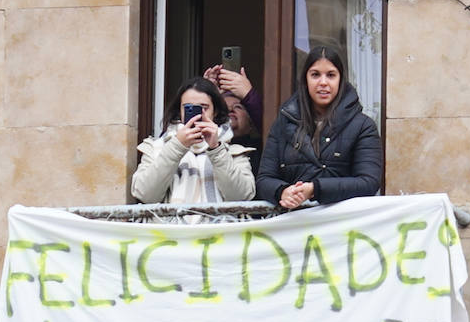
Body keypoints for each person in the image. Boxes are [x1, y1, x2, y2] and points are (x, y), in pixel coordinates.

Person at [256, 46, 381, 210]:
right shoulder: (283, 123)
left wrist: (315, 189)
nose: (323, 82)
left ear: (341, 80)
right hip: (292, 224)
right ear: (305, 80)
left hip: (344, 224)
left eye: (331, 75)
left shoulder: (363, 126)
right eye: (315, 75)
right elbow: (265, 179)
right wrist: (283, 192)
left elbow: (368, 182)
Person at [131, 77, 255, 205]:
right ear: (179, 110)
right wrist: (177, 146)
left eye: (204, 108)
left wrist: (216, 149)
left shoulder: (234, 152)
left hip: (219, 224)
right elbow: (145, 195)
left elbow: (241, 197)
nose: (197, 115)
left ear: (215, 112)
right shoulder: (156, 148)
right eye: (188, 108)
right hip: (170, 224)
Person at [205, 64, 263, 174]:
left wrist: (249, 95)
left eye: (238, 107)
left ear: (251, 124)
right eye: (224, 108)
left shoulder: (262, 149)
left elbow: (271, 128)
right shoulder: (200, 145)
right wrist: (204, 96)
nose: (230, 110)